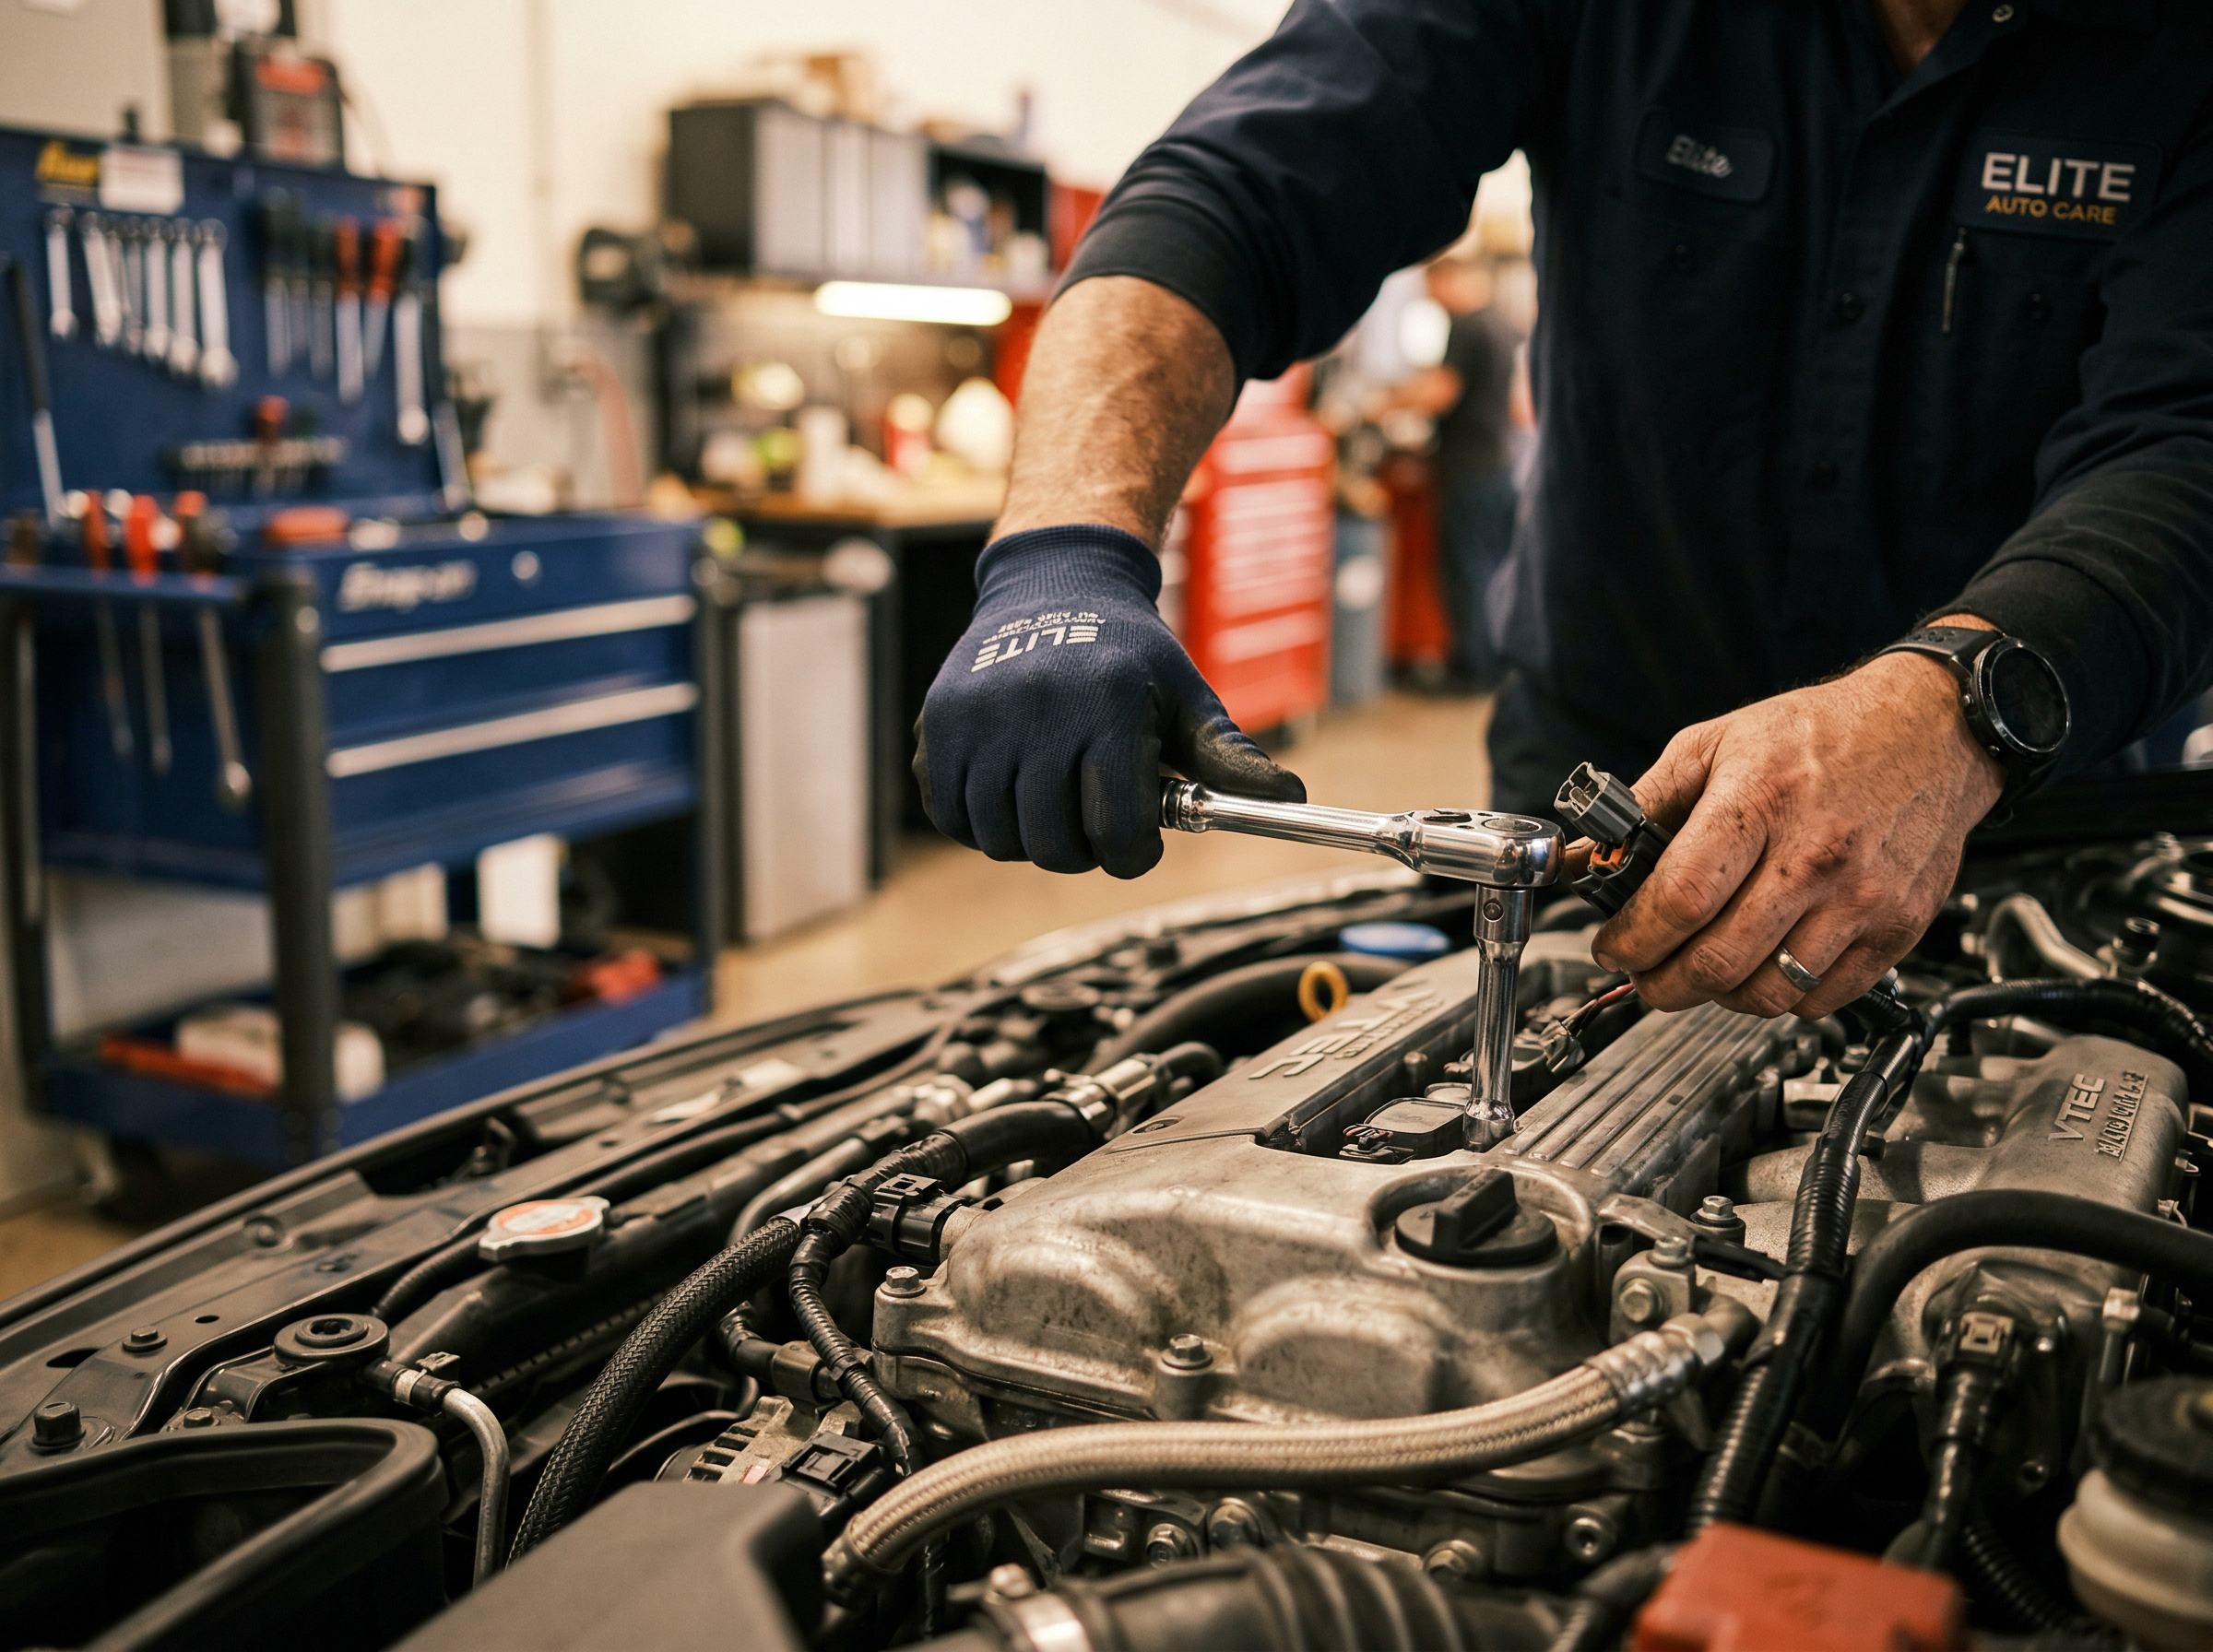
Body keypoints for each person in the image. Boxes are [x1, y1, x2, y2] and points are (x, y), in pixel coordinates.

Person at [916, 0, 2213, 1026]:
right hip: (1602, 801)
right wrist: (1063, 557)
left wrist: (1957, 713)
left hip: (2028, 816)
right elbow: (1231, 197)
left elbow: (2187, 438)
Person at [1373, 254, 1522, 690]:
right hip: (1499, 462)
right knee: (1490, 568)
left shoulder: (1467, 326)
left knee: (1466, 569)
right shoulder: (1499, 323)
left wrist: (1382, 405)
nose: (1428, 295)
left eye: (1429, 283)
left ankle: (1470, 669)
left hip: (1468, 467)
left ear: (1448, 277)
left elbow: (1440, 393)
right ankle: (1493, 664)